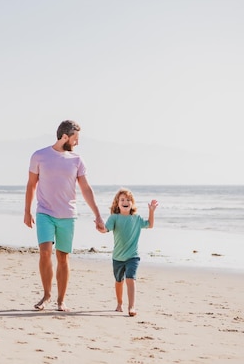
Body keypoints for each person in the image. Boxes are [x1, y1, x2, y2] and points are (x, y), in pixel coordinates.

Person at [24, 120, 105, 312]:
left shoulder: (77, 160)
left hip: (68, 215)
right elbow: (31, 184)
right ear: (65, 137)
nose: (77, 142)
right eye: (75, 138)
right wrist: (27, 211)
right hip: (45, 212)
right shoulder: (39, 156)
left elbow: (85, 188)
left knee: (62, 257)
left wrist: (98, 215)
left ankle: (61, 300)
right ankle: (46, 295)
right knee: (44, 252)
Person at [98, 188, 158, 317]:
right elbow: (105, 229)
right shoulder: (114, 218)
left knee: (131, 279)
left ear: (132, 203)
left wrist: (151, 211)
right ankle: (119, 303)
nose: (125, 202)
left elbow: (150, 225)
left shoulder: (136, 218)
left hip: (133, 256)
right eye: (122, 200)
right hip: (118, 257)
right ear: (117, 203)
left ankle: (131, 307)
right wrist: (100, 227)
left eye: (128, 199)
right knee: (119, 281)